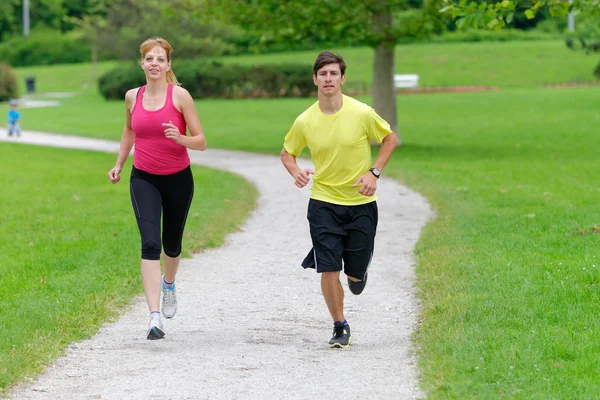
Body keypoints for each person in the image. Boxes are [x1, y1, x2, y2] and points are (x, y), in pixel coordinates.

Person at [281, 51, 399, 349]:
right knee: (328, 268)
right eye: (323, 74)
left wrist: (374, 172)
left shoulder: (361, 113)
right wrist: (296, 172)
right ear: (315, 79)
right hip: (322, 203)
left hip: (360, 204)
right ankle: (339, 325)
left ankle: (358, 273)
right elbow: (287, 152)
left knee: (354, 277)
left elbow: (390, 139)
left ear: (342, 78)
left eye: (334, 73)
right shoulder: (305, 120)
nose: (328, 79)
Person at [107, 37, 207, 340]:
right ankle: (153, 317)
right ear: (142, 63)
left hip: (178, 178)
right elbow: (128, 130)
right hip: (143, 178)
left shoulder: (180, 97)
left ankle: (169, 284)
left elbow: (201, 141)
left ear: (168, 65)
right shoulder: (131, 97)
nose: (154, 63)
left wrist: (180, 138)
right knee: (150, 244)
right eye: (149, 58)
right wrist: (120, 164)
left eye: (160, 59)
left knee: (171, 245)